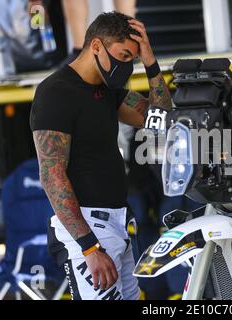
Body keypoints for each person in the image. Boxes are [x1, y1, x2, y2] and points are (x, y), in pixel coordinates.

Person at [30, 11, 172, 300]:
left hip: (118, 222)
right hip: (87, 229)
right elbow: (52, 176)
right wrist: (89, 247)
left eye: (130, 59)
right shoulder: (56, 92)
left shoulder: (109, 90)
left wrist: (149, 60)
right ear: (96, 46)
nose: (125, 66)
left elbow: (161, 119)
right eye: (122, 56)